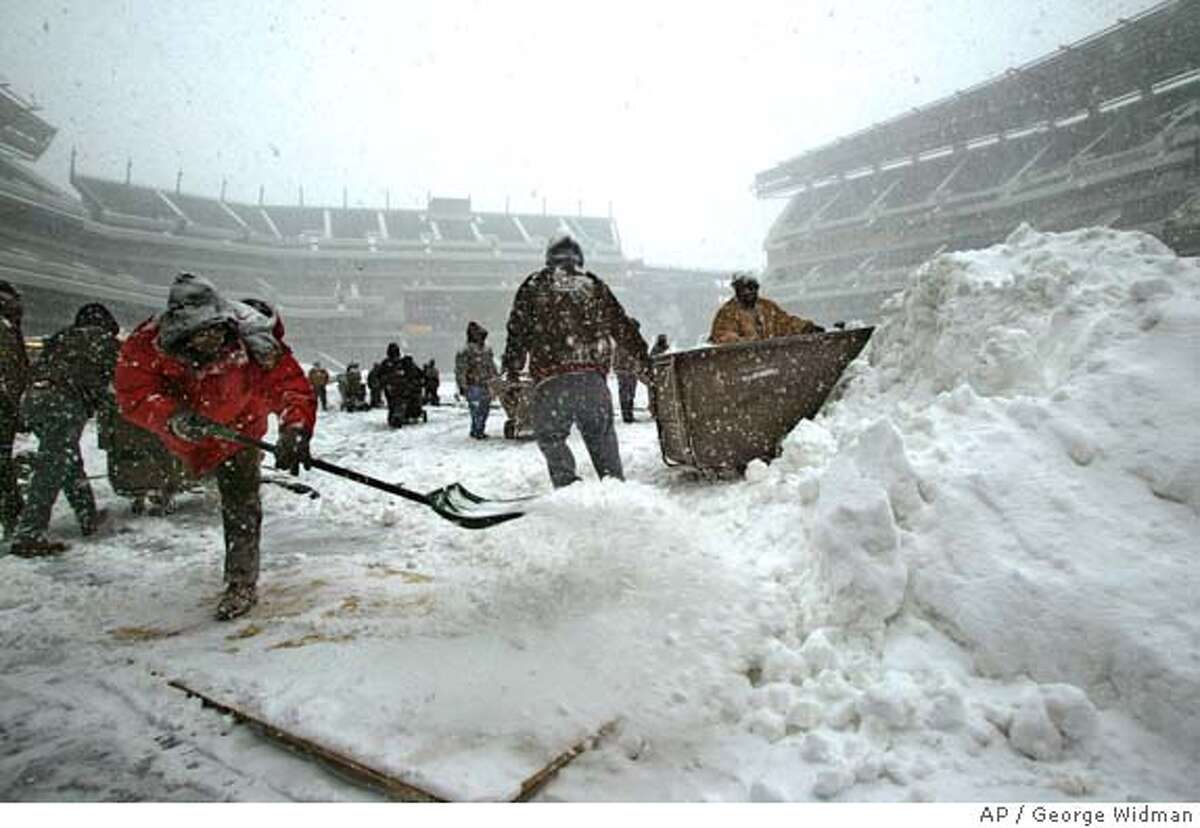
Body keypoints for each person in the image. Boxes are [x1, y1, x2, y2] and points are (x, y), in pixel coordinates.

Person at [115, 273, 316, 620]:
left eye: (215, 331)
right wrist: (171, 415)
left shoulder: (254, 341)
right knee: (151, 471)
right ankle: (156, 492)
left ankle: (241, 582)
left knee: (240, 500)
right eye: (198, 336)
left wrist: (295, 429)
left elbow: (290, 387)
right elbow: (133, 394)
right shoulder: (147, 344)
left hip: (240, 429)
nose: (210, 341)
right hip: (183, 432)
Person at [503, 234, 648, 487]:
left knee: (551, 437)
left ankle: (568, 487)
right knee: (601, 437)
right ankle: (615, 490)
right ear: (578, 259)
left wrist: (513, 367)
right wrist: (643, 356)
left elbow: (517, 330)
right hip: (592, 378)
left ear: (549, 259)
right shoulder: (593, 285)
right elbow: (621, 325)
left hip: (551, 379)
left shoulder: (534, 285)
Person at [9, 303, 120, 556]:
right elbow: (120, 383)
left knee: (67, 458)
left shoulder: (62, 337)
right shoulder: (103, 341)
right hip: (62, 402)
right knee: (52, 466)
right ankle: (29, 535)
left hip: (32, 398)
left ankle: (87, 515)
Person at [709, 272, 824, 344]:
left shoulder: (767, 307)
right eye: (744, 289)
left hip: (770, 360)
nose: (748, 292)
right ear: (737, 290)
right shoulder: (727, 313)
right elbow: (722, 336)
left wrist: (805, 327)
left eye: (752, 287)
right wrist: (749, 344)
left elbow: (786, 323)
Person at [0, 281, 30, 540]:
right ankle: (13, 516)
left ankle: (13, 513)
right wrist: (18, 404)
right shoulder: (5, 330)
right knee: (2, 464)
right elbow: (12, 372)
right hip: (3, 406)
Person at [455, 321, 498, 440]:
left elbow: (491, 366)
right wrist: (462, 385)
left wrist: (495, 378)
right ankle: (477, 430)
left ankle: (478, 429)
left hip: (485, 383)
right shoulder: (466, 351)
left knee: (484, 409)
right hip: (473, 384)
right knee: (477, 409)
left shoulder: (486, 350)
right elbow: (461, 369)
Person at [611, 319, 644, 424]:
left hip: (627, 370)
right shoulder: (625, 339)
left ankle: (628, 415)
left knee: (628, 393)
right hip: (625, 370)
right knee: (627, 393)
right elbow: (624, 355)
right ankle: (627, 416)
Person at [647, 333, 670, 419]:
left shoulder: (664, 348)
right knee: (655, 394)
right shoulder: (656, 349)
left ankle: (656, 410)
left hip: (660, 374)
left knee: (656, 394)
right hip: (657, 374)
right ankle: (654, 410)